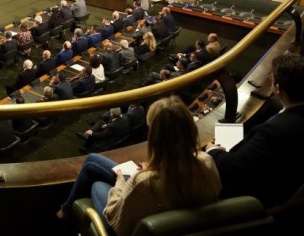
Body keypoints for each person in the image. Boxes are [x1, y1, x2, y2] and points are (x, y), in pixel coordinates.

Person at [59, 97, 221, 236]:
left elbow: (115, 216)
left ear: (156, 138)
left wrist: (120, 184)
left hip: (124, 226)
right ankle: (65, 211)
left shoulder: (144, 181)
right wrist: (151, 169)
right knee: (92, 160)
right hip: (176, 218)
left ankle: (64, 214)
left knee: (97, 183)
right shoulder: (206, 161)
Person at [205, 54, 304, 208]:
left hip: (262, 198)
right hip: (303, 186)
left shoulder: (274, 132)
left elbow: (232, 170)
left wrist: (213, 150)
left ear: (278, 88)